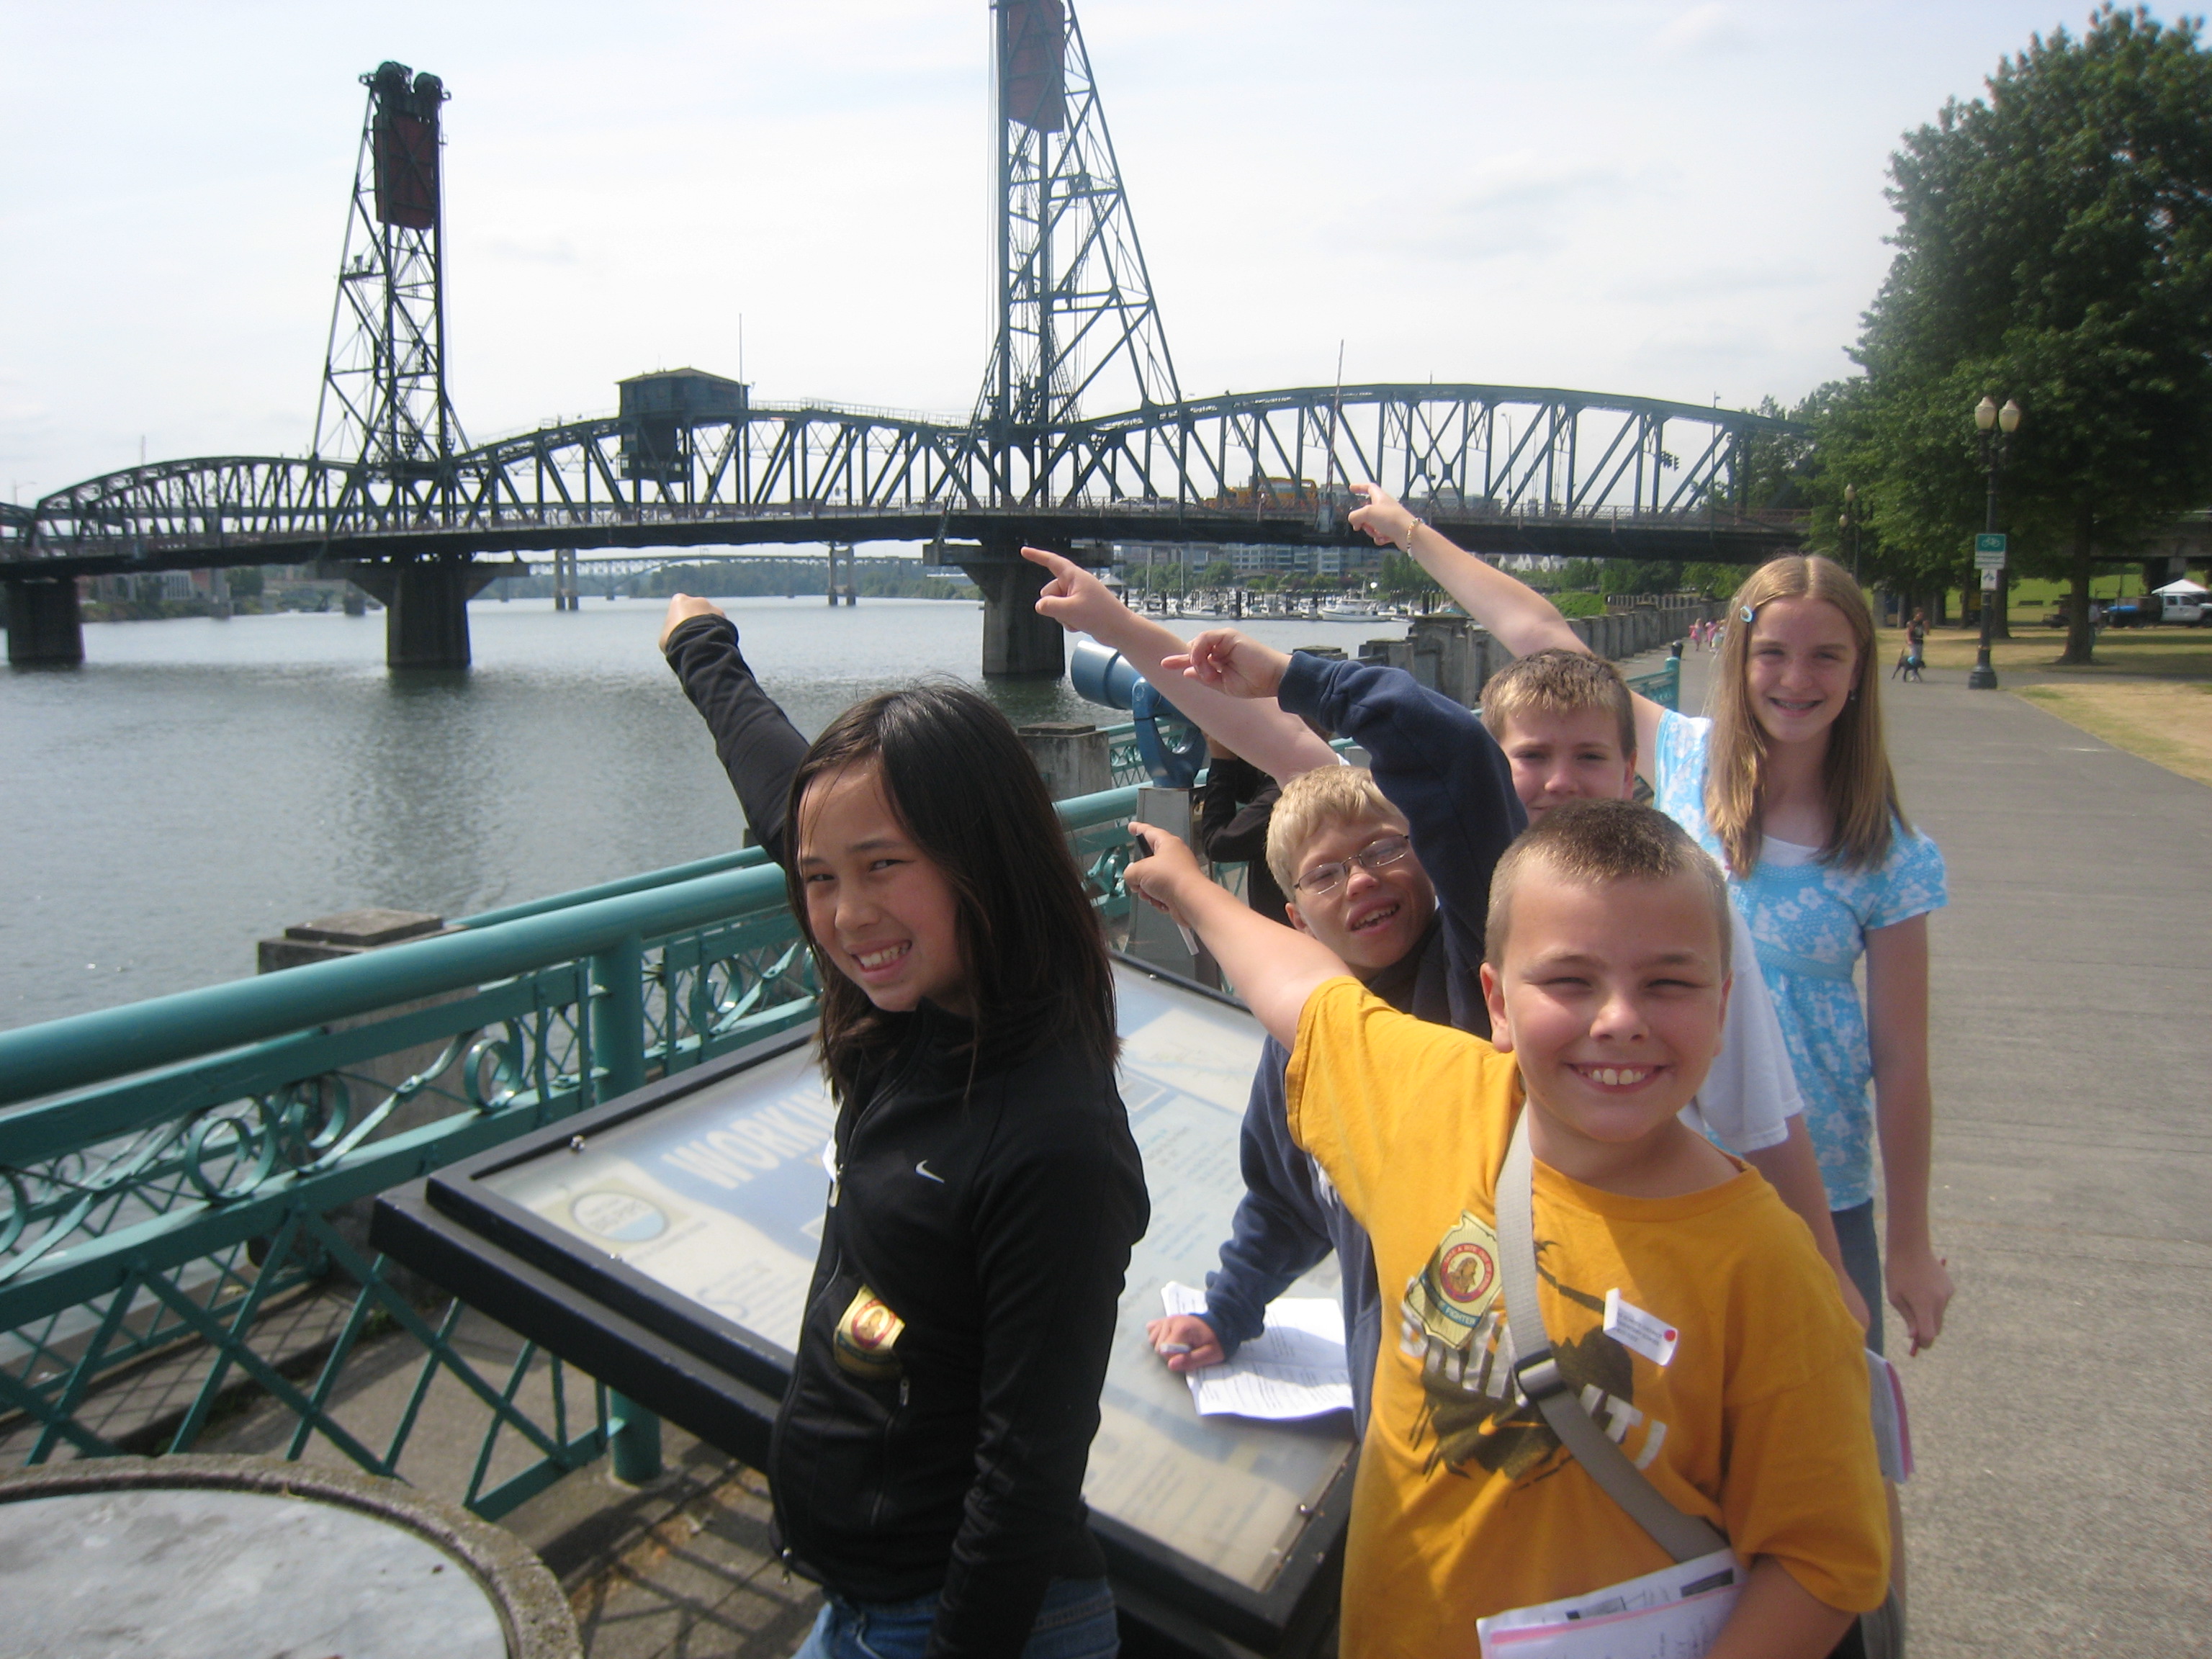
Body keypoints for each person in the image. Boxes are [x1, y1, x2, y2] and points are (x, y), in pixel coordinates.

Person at [1123, 800, 1890, 1657]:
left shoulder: (1770, 1269)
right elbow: (1301, 990)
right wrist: (1189, 887)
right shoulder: (1433, 1102)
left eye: (1669, 983)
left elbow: (1825, 1561)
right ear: (1495, 1001)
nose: (1619, 1019)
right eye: (1570, 981)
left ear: (1723, 1007)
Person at [1347, 485, 1954, 1357]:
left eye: (1827, 657)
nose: (1795, 678)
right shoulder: (1683, 757)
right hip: (1668, 1151)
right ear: (1738, 660)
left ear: (1861, 672)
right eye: (1773, 652)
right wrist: (1410, 532)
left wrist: (1909, 1244)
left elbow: (1902, 1059)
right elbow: (1545, 637)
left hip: (1820, 1174)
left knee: (1843, 1422)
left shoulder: (1889, 852)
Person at [660, 594, 1148, 1659]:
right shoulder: (911, 1015)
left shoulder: (1054, 1138)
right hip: (867, 1600)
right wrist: (702, 651)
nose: (845, 918)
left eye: (884, 867)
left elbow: (1026, 1472)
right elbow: (774, 778)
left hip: (961, 1625)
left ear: (986, 858)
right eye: (820, 879)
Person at [1170, 632, 1869, 1328]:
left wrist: (1299, 678)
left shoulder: (1475, 950)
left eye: (1387, 849)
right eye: (1326, 874)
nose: (1363, 880)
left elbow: (1451, 762)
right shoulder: (1314, 1039)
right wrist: (1225, 1313)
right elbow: (1290, 1198)